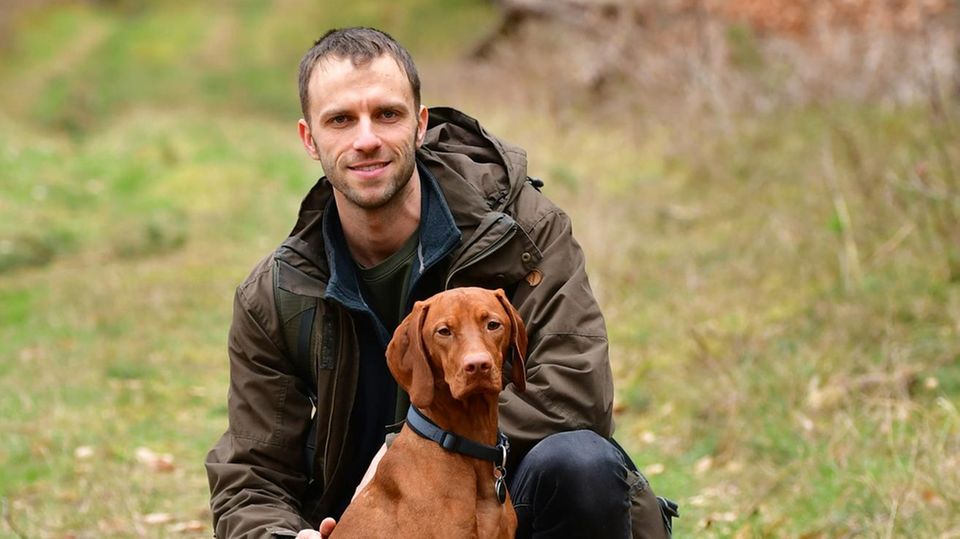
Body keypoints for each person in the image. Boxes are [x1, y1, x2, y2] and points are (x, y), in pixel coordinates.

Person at [205, 27, 674, 539]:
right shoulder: (277, 294)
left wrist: (413, 446)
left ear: (420, 124)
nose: (367, 139)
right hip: (372, 523)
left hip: (513, 502)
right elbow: (252, 475)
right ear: (309, 139)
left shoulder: (522, 235)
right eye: (340, 120)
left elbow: (575, 393)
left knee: (580, 462)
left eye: (388, 114)